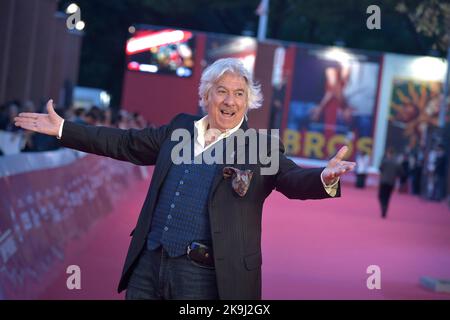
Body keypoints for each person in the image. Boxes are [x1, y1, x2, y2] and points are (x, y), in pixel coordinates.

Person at [14, 58, 355, 300]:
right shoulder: (179, 128)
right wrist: (63, 129)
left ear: (249, 102)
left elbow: (291, 179)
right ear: (207, 95)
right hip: (148, 264)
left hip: (208, 277)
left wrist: (323, 177)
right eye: (222, 91)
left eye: (239, 94)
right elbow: (123, 143)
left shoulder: (260, 147)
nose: (230, 101)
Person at [378, 148, 403, 219]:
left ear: (388, 154)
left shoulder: (385, 161)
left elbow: (380, 169)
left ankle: (383, 207)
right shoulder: (397, 163)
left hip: (384, 181)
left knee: (381, 196)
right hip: (392, 182)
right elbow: (401, 173)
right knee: (387, 197)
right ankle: (385, 207)